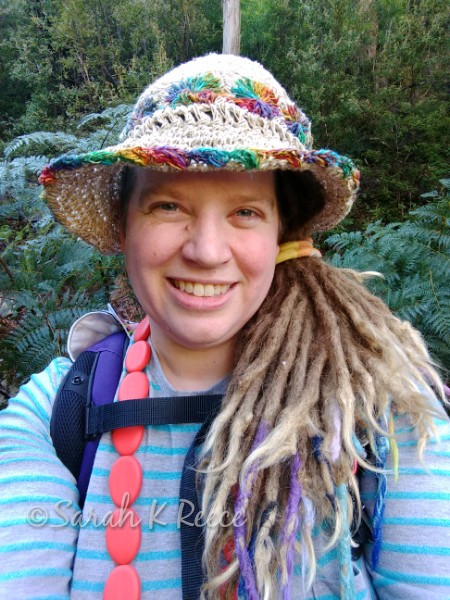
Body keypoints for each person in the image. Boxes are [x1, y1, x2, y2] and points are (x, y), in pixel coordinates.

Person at [0, 53, 449, 600]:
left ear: (283, 233)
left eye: (245, 212)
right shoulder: (54, 412)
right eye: (168, 206)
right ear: (123, 225)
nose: (207, 252)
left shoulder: (385, 411)